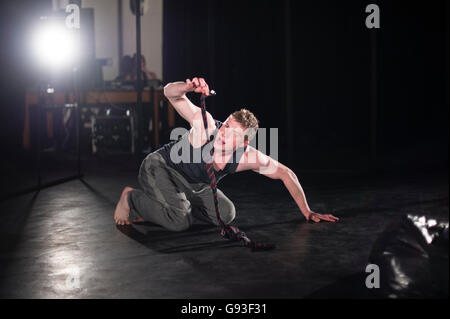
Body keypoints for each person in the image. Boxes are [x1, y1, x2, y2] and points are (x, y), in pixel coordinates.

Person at [114, 77, 339, 229]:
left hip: (194, 185)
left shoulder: (247, 156)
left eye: (232, 132)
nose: (224, 132)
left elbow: (285, 173)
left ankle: (167, 210)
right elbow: (170, 94)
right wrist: (187, 87)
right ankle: (131, 198)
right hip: (160, 168)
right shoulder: (207, 126)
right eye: (227, 125)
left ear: (242, 142)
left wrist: (307, 211)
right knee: (179, 222)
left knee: (226, 214)